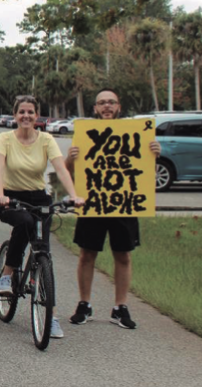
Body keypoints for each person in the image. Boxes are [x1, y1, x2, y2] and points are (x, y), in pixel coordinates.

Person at [65, 88, 160, 330]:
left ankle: (120, 307)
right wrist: (71, 158)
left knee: (123, 255)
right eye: (102, 103)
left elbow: (142, 170)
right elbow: (67, 173)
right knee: (87, 254)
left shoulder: (135, 133)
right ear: (95, 108)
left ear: (118, 107)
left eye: (111, 102)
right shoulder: (85, 135)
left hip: (123, 204)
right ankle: (84, 304)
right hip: (92, 202)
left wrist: (154, 155)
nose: (107, 106)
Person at [0, 95, 85, 339]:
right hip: (9, 197)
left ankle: (50, 318)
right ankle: (7, 275)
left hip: (37, 198)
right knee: (23, 221)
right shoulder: (5, 139)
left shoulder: (46, 139)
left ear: (37, 115)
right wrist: (0, 193)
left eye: (30, 112)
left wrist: (73, 195)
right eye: (21, 111)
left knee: (43, 250)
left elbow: (60, 168)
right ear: (15, 115)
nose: (26, 116)